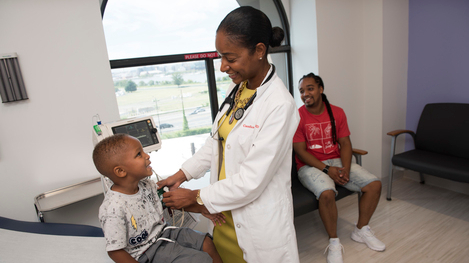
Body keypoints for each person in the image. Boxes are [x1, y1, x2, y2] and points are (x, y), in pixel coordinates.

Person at [157, 6, 300, 263]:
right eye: (221, 56)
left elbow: (251, 181)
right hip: (223, 216)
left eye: (230, 58)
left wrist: (196, 197)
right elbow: (217, 143)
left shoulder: (280, 105)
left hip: (256, 224)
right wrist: (182, 174)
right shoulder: (238, 90)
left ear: (259, 51)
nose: (223, 66)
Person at [292, 73, 385, 263]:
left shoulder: (337, 112)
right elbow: (300, 152)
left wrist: (346, 169)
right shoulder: (298, 117)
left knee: (374, 185)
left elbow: (346, 143)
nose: (305, 94)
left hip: (337, 161)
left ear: (320, 89)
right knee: (327, 193)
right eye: (301, 91)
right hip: (310, 166)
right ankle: (334, 242)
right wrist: (327, 170)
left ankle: (361, 230)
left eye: (310, 88)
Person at [92, 134, 223, 263]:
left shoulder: (147, 185)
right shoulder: (113, 208)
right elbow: (115, 251)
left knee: (206, 242)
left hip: (164, 233)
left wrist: (200, 209)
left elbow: (168, 200)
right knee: (200, 260)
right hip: (145, 251)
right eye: (139, 154)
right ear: (121, 171)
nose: (147, 155)